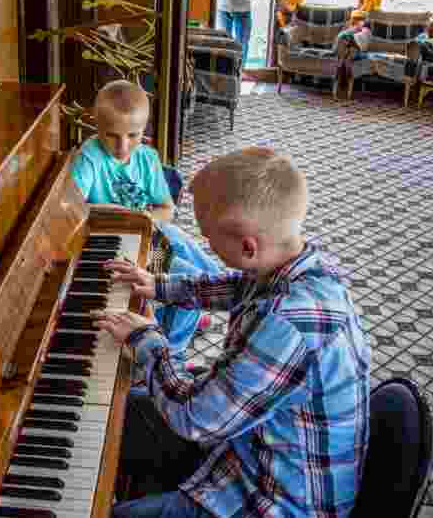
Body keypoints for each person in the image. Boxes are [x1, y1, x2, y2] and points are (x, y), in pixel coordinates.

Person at [95, 147, 371, 518]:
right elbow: (236, 284)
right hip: (253, 448)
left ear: (247, 246)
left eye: (208, 238)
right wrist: (159, 285)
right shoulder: (300, 265)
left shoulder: (287, 325)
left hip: (274, 501)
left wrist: (147, 339)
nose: (205, 244)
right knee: (118, 412)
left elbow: (196, 419)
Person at [70, 80, 222, 358]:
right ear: (96, 125)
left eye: (133, 135)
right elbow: (75, 207)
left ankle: (186, 317)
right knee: (188, 281)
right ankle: (170, 353)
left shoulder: (147, 157)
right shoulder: (89, 158)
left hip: (151, 227)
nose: (122, 146)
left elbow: (166, 208)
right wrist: (133, 218)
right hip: (119, 240)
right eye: (112, 135)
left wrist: (146, 219)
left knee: (209, 272)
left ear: (145, 129)